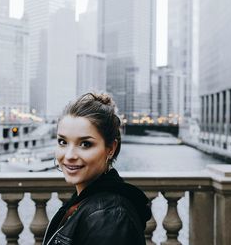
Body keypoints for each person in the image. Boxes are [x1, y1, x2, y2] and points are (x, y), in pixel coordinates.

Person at [42, 92, 152, 245]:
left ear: (110, 149)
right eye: (63, 142)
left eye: (85, 144)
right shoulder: (88, 202)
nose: (69, 155)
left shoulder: (109, 216)